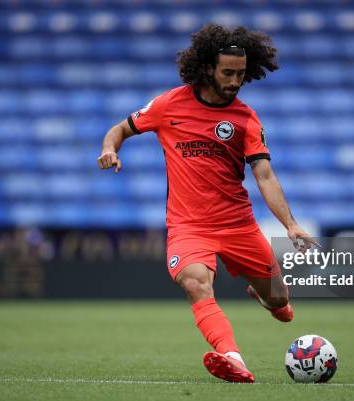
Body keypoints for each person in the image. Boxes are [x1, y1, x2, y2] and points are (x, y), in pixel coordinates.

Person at [98, 24, 317, 383]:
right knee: (196, 282)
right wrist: (110, 149)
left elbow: (264, 175)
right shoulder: (169, 105)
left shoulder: (245, 118)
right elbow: (119, 129)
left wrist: (289, 224)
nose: (234, 81)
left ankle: (266, 298)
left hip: (238, 226)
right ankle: (232, 357)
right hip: (189, 226)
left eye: (241, 74)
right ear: (207, 68)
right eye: (227, 73)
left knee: (279, 301)